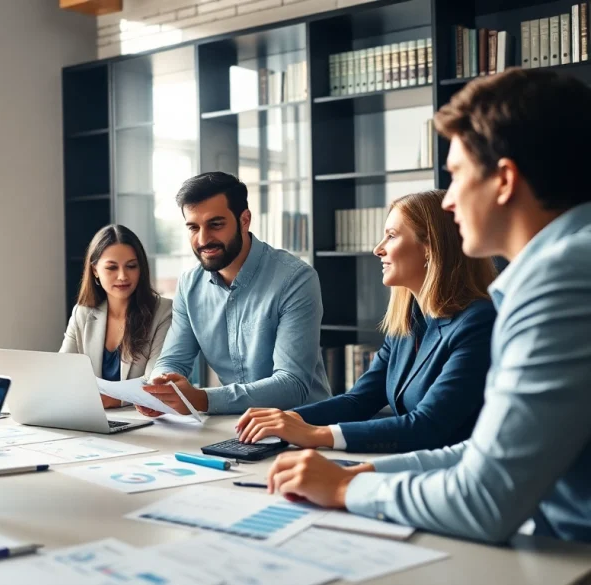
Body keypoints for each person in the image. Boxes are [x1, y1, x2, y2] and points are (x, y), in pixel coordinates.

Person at [264, 68, 591, 544]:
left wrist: (345, 487)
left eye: (456, 175)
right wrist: (357, 474)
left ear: (503, 180)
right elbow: (482, 454)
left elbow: (485, 500)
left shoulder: (559, 280)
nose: (450, 201)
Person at [235, 190, 496, 453]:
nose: (378, 248)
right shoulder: (410, 322)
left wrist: (316, 434)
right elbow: (358, 401)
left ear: (430, 248)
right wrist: (291, 419)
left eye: (391, 236)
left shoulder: (477, 324)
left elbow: (427, 426)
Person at [138, 171, 330, 417]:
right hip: (233, 424)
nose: (203, 239)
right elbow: (173, 361)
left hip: (303, 426)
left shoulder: (296, 279)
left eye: (215, 225)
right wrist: (160, 389)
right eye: (193, 227)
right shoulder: (189, 284)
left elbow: (292, 384)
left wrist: (201, 398)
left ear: (244, 220)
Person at [60, 225, 172, 408]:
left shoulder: (164, 311)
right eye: (112, 268)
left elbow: (155, 383)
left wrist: (107, 400)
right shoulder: (82, 313)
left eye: (131, 266)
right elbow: (63, 372)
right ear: (95, 270)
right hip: (89, 416)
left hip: (140, 422)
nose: (122, 276)